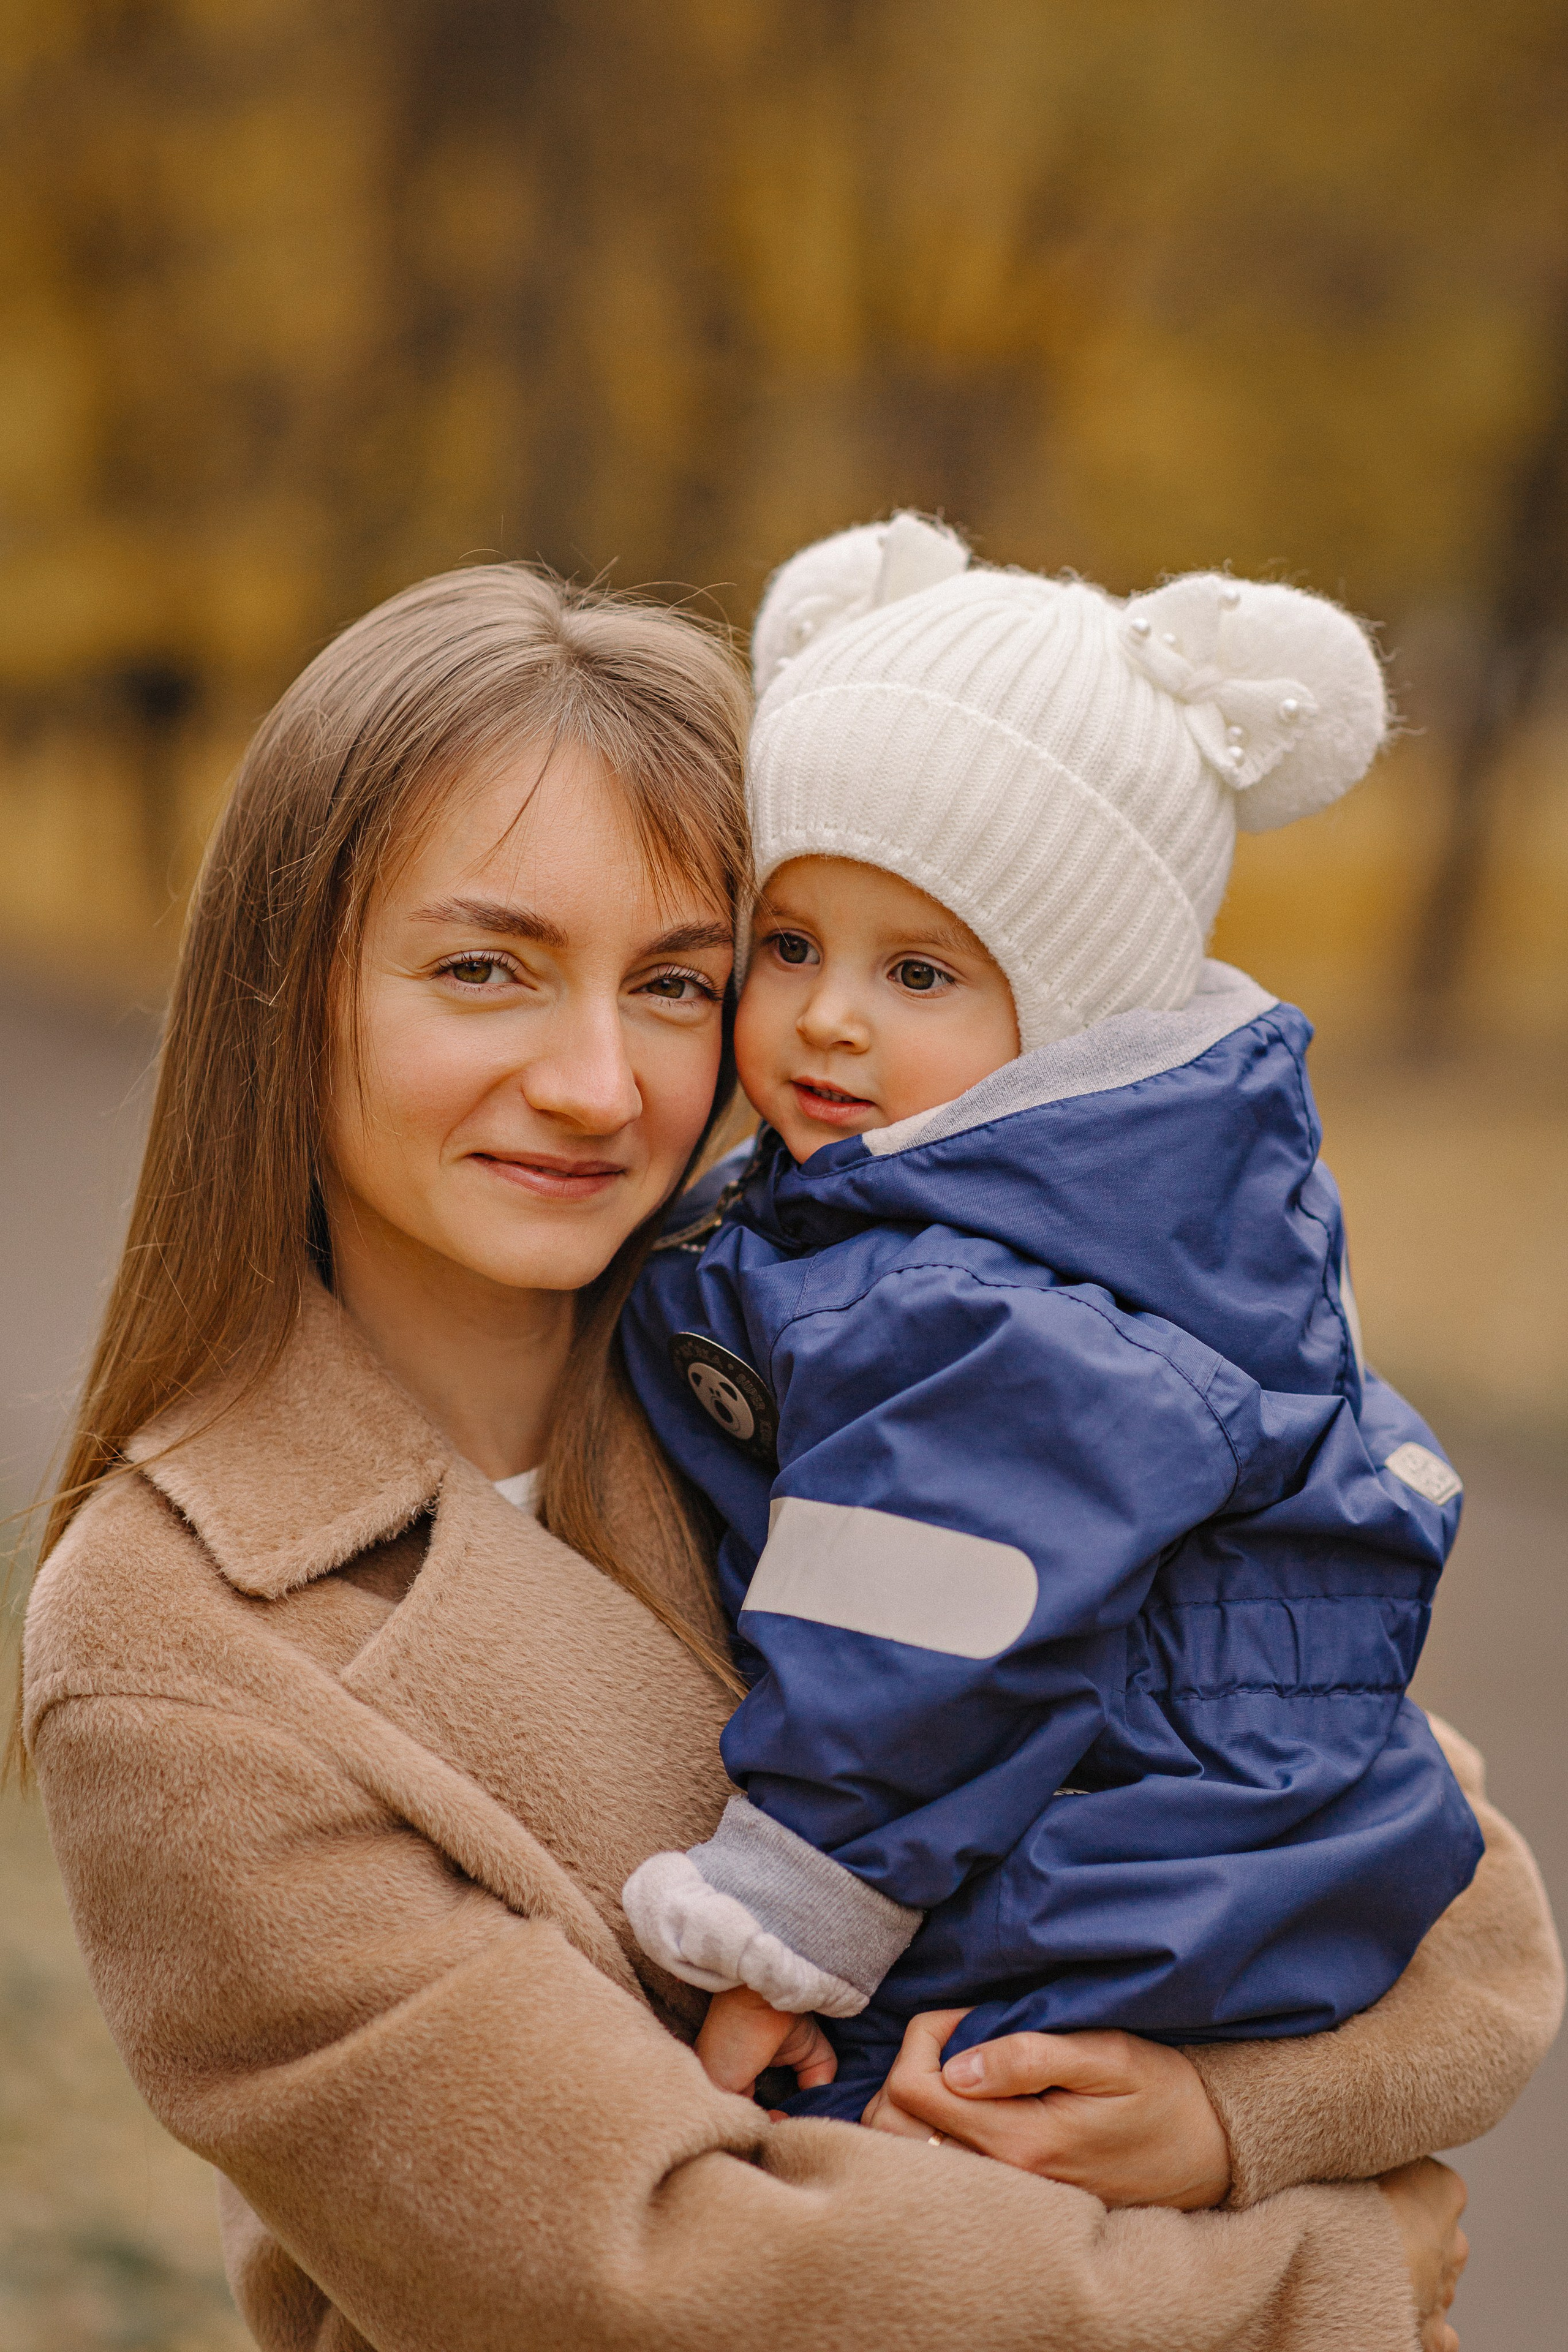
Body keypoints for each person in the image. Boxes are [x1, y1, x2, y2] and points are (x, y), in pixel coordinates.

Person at [18, 564, 1561, 2352]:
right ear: (287, 992)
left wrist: (1224, 2118)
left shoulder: (830, 1375)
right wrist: (1325, 2270)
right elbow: (651, 2281)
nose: (598, 1083)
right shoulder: (175, 1637)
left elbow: (1465, 1904)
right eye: (485, 970)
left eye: (678, 982)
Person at [622, 516, 1482, 2120]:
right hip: (1169, 1824)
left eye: (922, 973)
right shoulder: (1041, 1202)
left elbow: (929, 1630)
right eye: (791, 945)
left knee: (889, 2120)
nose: (829, 1013)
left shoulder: (989, 1304)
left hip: (1102, 1871)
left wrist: (775, 1937)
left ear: (1069, 1012)